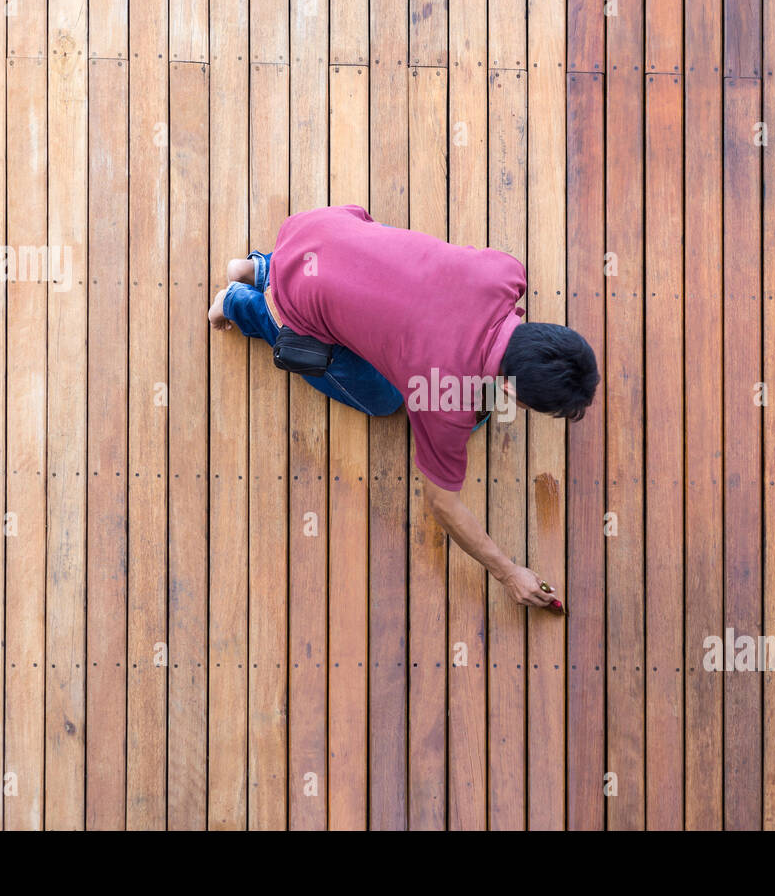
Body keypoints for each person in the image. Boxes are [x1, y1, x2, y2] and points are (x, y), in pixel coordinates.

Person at [209, 204, 598, 611]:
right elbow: (442, 503)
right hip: (298, 302)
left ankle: (257, 267)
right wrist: (508, 572)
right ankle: (240, 302)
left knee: (359, 274)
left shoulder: (507, 273)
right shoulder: (445, 399)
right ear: (510, 390)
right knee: (384, 399)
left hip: (321, 227)